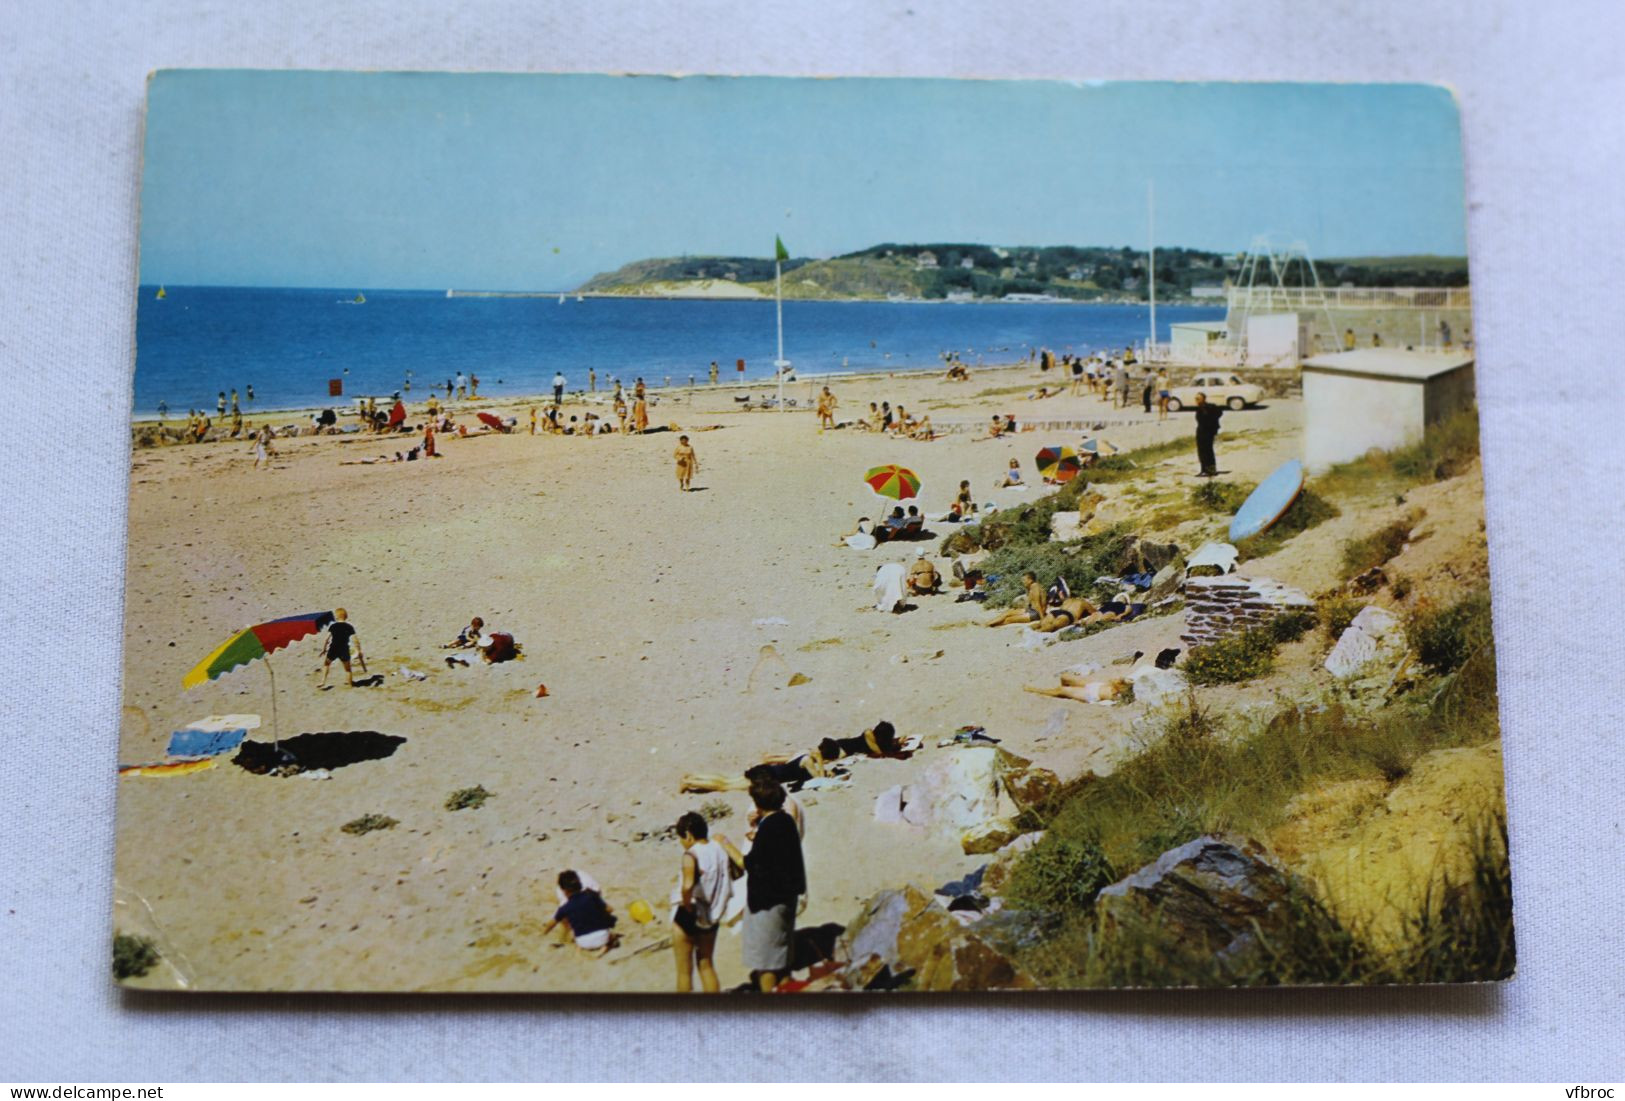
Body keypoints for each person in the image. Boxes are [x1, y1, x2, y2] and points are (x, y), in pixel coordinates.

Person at [715, 781, 805, 992]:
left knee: (767, 962)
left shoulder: (769, 828)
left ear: (758, 803)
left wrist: (725, 843)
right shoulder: (785, 820)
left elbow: (749, 864)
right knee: (780, 955)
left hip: (769, 901)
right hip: (787, 896)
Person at [670, 811, 732, 993]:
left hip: (690, 913)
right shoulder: (718, 848)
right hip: (712, 913)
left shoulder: (691, 855)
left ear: (688, 835)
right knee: (706, 964)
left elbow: (688, 885)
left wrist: (686, 904)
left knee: (684, 972)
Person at [542, 870, 618, 955]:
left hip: (583, 942)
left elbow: (551, 924)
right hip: (602, 937)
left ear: (564, 891)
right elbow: (610, 909)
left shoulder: (564, 907)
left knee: (577, 935)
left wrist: (542, 933)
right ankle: (605, 947)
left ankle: (580, 949)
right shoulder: (592, 895)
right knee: (611, 935)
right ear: (580, 884)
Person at [319, 608, 364, 688]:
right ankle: (350, 684)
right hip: (344, 649)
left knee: (326, 664)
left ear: (336, 617)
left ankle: (323, 681)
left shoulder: (333, 626)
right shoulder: (349, 627)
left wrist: (324, 649)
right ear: (346, 616)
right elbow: (355, 640)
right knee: (348, 669)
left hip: (333, 648)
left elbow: (326, 639)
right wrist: (359, 650)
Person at [1193, 391, 1224, 477]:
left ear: (1203, 399)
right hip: (1201, 431)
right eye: (1196, 399)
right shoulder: (1199, 408)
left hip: (1208, 432)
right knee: (1201, 451)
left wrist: (1213, 425)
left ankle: (1211, 470)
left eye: (1198, 399)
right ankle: (1204, 469)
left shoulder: (1209, 407)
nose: (1196, 400)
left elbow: (1219, 413)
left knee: (1208, 451)